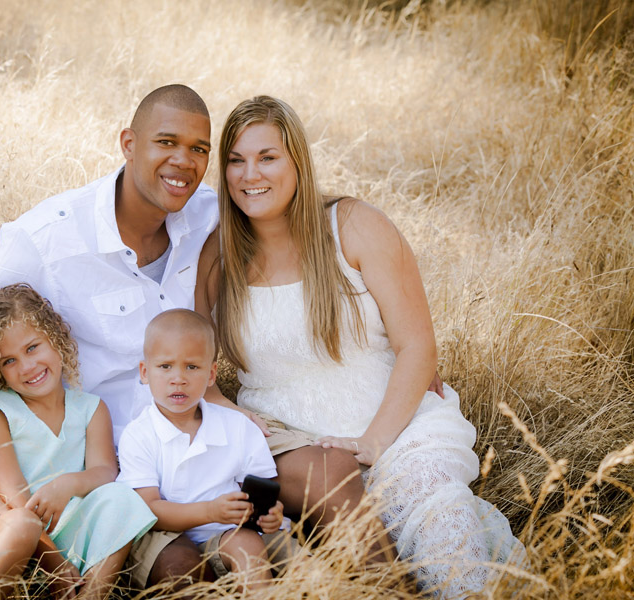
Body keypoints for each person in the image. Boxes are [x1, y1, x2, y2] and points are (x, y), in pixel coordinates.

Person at [0, 84, 366, 589]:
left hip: (210, 422)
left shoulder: (209, 214)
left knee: (331, 473)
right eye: (166, 142)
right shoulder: (46, 239)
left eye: (199, 149)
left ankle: (387, 587)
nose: (183, 161)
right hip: (125, 460)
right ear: (128, 143)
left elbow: (294, 216)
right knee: (180, 572)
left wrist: (402, 342)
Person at [196, 95, 526, 598]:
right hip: (291, 444)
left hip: (397, 426)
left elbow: (417, 346)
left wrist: (373, 443)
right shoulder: (219, 256)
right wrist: (228, 409)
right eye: (236, 160)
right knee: (370, 538)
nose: (250, 174)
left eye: (267, 157)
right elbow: (193, 364)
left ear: (297, 161)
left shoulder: (352, 226)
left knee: (446, 541)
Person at [0, 283, 156, 599]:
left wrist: (67, 484)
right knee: (23, 524)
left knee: (123, 498)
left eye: (32, 348)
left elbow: (105, 471)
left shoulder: (91, 408)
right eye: (8, 361)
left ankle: (91, 595)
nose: (27, 367)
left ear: (56, 339)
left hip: (67, 528)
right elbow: (12, 496)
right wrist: (54, 562)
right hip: (5, 532)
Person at [117, 309, 296, 592]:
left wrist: (271, 514)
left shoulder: (238, 426)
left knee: (297, 563)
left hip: (236, 533)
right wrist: (211, 511)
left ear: (211, 374)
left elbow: (264, 492)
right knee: (232, 551)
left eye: (192, 367)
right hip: (173, 537)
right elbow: (150, 510)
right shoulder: (138, 435)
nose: (178, 378)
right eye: (165, 366)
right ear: (145, 372)